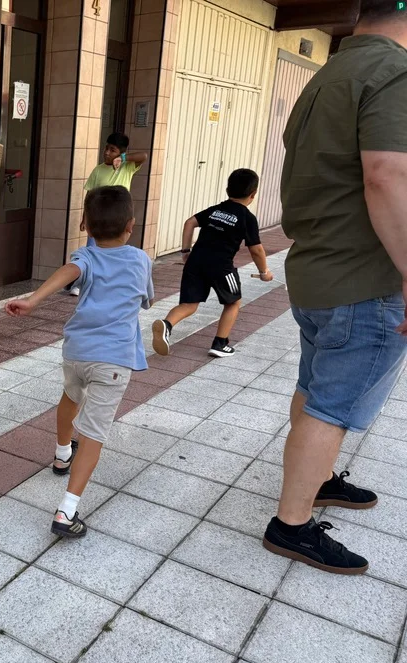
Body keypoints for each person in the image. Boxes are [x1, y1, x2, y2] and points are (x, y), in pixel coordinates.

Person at [262, 0, 407, 574]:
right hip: (364, 277)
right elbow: (387, 174)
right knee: (333, 404)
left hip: (318, 268)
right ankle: (291, 525)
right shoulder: (394, 71)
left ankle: (317, 480)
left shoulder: (330, 73)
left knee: (314, 386)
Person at [7, 186, 154, 537]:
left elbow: (69, 271)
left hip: (76, 352)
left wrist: (33, 300)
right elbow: (146, 300)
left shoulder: (85, 256)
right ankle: (66, 512)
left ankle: (61, 455)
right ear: (131, 225)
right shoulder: (140, 260)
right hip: (113, 360)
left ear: (85, 224)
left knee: (71, 396)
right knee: (93, 435)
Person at [151, 169, 273, 358]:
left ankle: (166, 325)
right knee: (233, 302)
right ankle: (220, 343)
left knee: (189, 304)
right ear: (253, 194)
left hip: (196, 261)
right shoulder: (247, 218)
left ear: (227, 189)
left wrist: (185, 251)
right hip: (221, 266)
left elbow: (189, 223)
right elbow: (256, 249)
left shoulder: (216, 210)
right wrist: (264, 271)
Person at [67, 133, 148, 296]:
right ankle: (82, 282)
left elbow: (143, 156)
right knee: (92, 250)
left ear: (121, 152)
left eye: (112, 150)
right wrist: (85, 218)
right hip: (98, 218)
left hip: (119, 219)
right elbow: (89, 196)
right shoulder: (98, 170)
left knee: (114, 251)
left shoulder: (127, 167)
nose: (107, 153)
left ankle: (110, 282)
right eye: (106, 148)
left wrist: (123, 159)